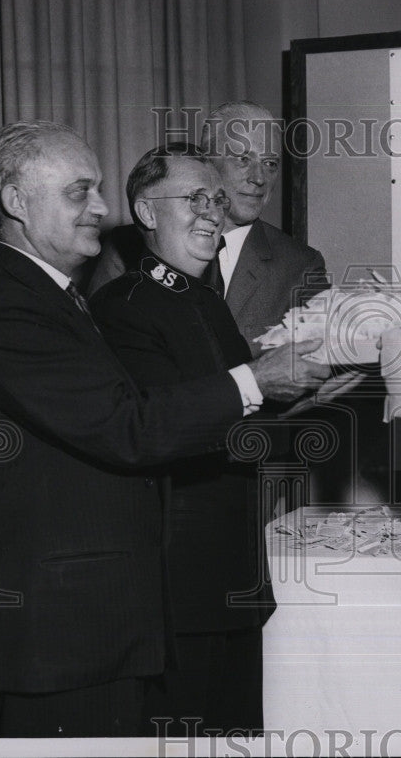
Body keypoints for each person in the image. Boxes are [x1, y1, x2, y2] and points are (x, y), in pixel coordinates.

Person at [0, 121, 329, 737]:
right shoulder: (7, 306)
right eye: (79, 192)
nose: (100, 208)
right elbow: (129, 427)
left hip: (90, 624)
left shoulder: (54, 298)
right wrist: (255, 380)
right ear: (16, 202)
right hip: (55, 635)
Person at [89, 143, 272, 734]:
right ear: (146, 212)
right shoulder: (123, 306)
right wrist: (269, 386)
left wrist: (323, 390)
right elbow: (165, 433)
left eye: (217, 199)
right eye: (194, 198)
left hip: (233, 580)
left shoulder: (205, 303)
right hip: (176, 594)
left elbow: (246, 433)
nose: (212, 212)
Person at [88, 101, 328, 355]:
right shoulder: (126, 247)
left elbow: (321, 372)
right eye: (243, 159)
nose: (259, 178)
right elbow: (94, 354)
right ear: (207, 161)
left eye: (270, 164)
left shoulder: (299, 266)